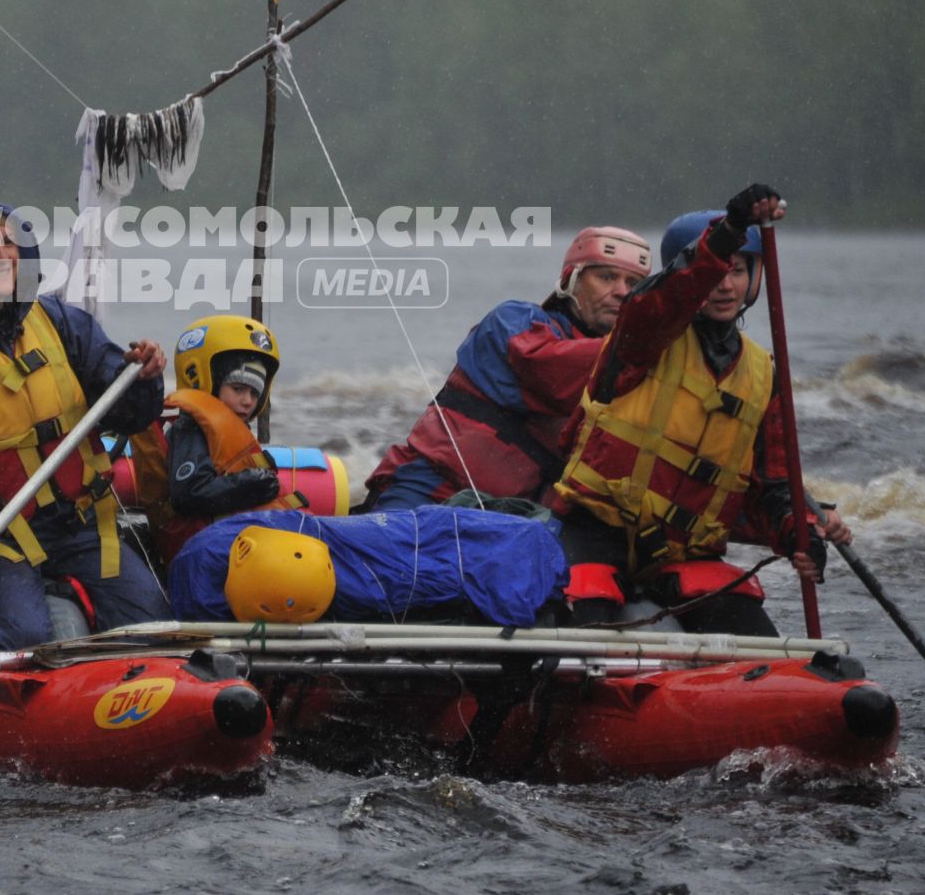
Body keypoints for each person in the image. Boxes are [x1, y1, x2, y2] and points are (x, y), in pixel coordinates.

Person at [542, 184, 851, 636]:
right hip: (594, 531)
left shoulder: (763, 374)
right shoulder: (644, 330)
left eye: (740, 270)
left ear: (756, 277)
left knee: (760, 643)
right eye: (716, 271)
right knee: (580, 645)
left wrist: (798, 535)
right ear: (690, 276)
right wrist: (730, 232)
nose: (725, 284)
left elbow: (774, 484)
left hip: (683, 554)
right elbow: (668, 295)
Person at [0, 191, 170, 666]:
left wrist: (144, 378)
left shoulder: (61, 321)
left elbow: (129, 413)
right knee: (18, 636)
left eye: (8, 241)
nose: (2, 254)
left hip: (79, 523)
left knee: (148, 623)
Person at [362, 225, 654, 512]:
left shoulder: (637, 369)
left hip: (512, 516)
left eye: (633, 284)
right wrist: (645, 341)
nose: (621, 292)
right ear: (570, 279)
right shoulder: (513, 321)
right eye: (607, 277)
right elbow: (551, 373)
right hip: (430, 488)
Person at [129, 314, 306, 563]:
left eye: (255, 393)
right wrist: (252, 483)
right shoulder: (190, 429)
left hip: (231, 542)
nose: (247, 400)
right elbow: (189, 494)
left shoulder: (224, 429)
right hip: (205, 551)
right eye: (237, 389)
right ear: (202, 378)